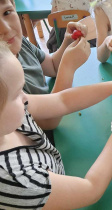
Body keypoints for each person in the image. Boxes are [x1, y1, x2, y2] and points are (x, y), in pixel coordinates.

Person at [0, 40, 112, 209]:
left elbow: (62, 101)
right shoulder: (18, 180)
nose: (26, 98)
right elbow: (91, 190)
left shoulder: (11, 115)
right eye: (17, 94)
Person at [1, 0, 90, 144]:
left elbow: (53, 66)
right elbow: (48, 121)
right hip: (44, 142)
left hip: (58, 112)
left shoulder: (20, 43)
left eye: (6, 12)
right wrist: (68, 67)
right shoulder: (4, 78)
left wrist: (67, 41)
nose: (5, 28)